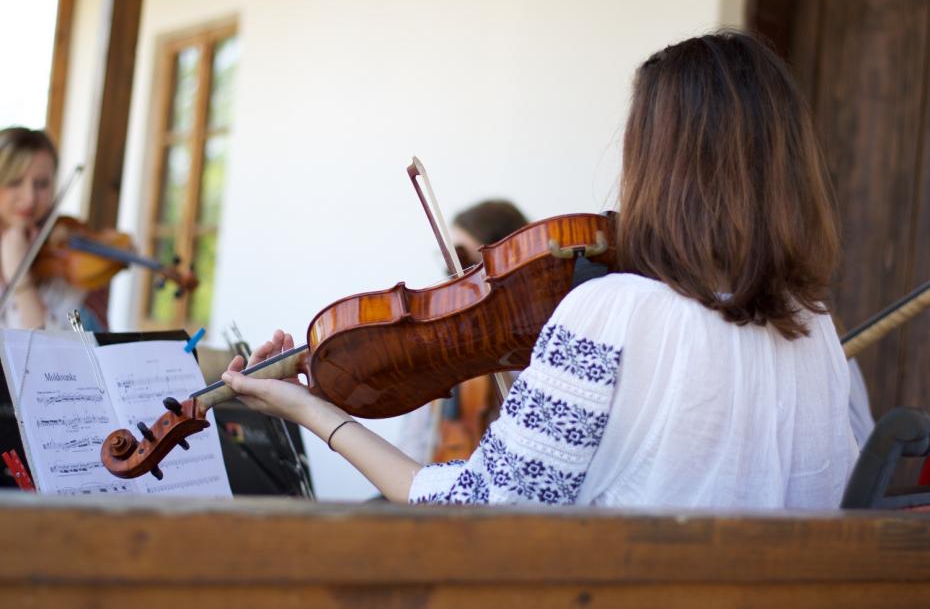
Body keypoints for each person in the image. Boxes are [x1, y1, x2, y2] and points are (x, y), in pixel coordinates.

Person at [222, 32, 859, 508]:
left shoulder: (615, 311)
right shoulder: (814, 330)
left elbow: (473, 510)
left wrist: (314, 413)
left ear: (658, 165)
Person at [397, 199, 528, 464]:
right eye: (450, 266)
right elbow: (412, 441)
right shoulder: (443, 339)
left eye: (464, 260)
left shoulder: (536, 341)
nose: (456, 281)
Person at [0, 127, 90, 330]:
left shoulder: (67, 262)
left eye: (41, 184)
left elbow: (54, 353)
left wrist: (20, 277)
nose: (30, 198)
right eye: (14, 182)